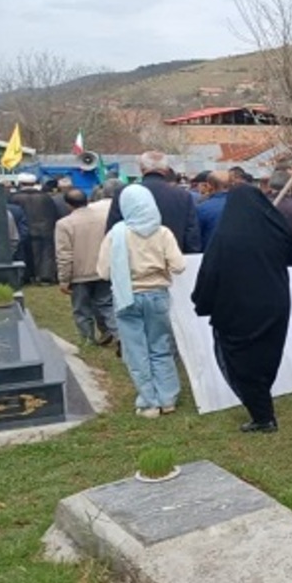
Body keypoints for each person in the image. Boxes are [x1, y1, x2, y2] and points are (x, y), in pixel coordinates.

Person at [193, 184, 292, 433]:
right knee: (267, 354)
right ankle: (263, 407)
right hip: (274, 303)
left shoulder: (224, 236)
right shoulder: (276, 229)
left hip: (237, 308)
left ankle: (262, 415)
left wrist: (201, 302)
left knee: (242, 360)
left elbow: (210, 274)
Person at [97, 185, 186, 419]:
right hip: (157, 295)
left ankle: (149, 402)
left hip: (127, 297)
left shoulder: (116, 234)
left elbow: (103, 271)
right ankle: (168, 398)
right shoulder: (163, 233)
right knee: (161, 347)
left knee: (136, 351)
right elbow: (179, 266)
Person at [55, 188, 117, 346]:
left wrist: (64, 279)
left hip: (79, 274)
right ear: (88, 200)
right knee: (107, 305)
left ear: (68, 205)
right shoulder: (104, 219)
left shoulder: (64, 224)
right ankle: (118, 333)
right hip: (103, 269)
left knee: (81, 309)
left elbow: (64, 254)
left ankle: (88, 339)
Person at [107, 152, 201, 254]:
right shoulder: (183, 196)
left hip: (133, 261)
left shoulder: (124, 193)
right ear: (166, 170)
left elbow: (113, 231)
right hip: (172, 260)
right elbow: (191, 235)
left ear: (141, 168)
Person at [10, 173, 60, 284]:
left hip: (25, 229)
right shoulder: (45, 197)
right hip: (45, 228)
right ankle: (45, 276)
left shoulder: (15, 197)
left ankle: (28, 276)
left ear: (20, 183)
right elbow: (53, 213)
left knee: (26, 254)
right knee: (46, 254)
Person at [196, 171, 230, 247]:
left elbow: (196, 236)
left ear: (209, 186)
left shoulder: (202, 208)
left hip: (210, 252)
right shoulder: (243, 206)